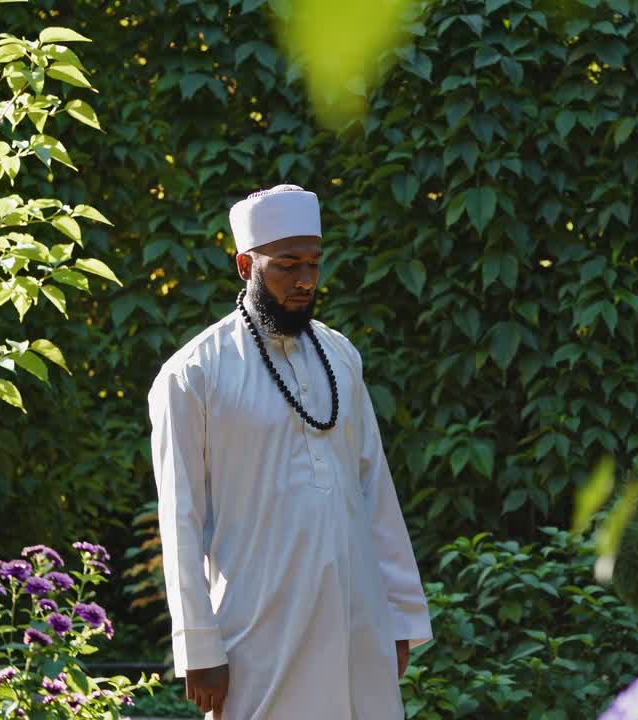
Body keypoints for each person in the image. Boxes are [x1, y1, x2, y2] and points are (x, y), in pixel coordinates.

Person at [147, 185, 432, 719]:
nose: (304, 281)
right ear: (244, 265)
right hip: (259, 628)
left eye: (314, 264)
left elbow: (375, 489)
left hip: (357, 616)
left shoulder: (341, 355)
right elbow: (181, 519)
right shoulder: (192, 375)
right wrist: (198, 646)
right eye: (286, 266)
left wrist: (399, 615)